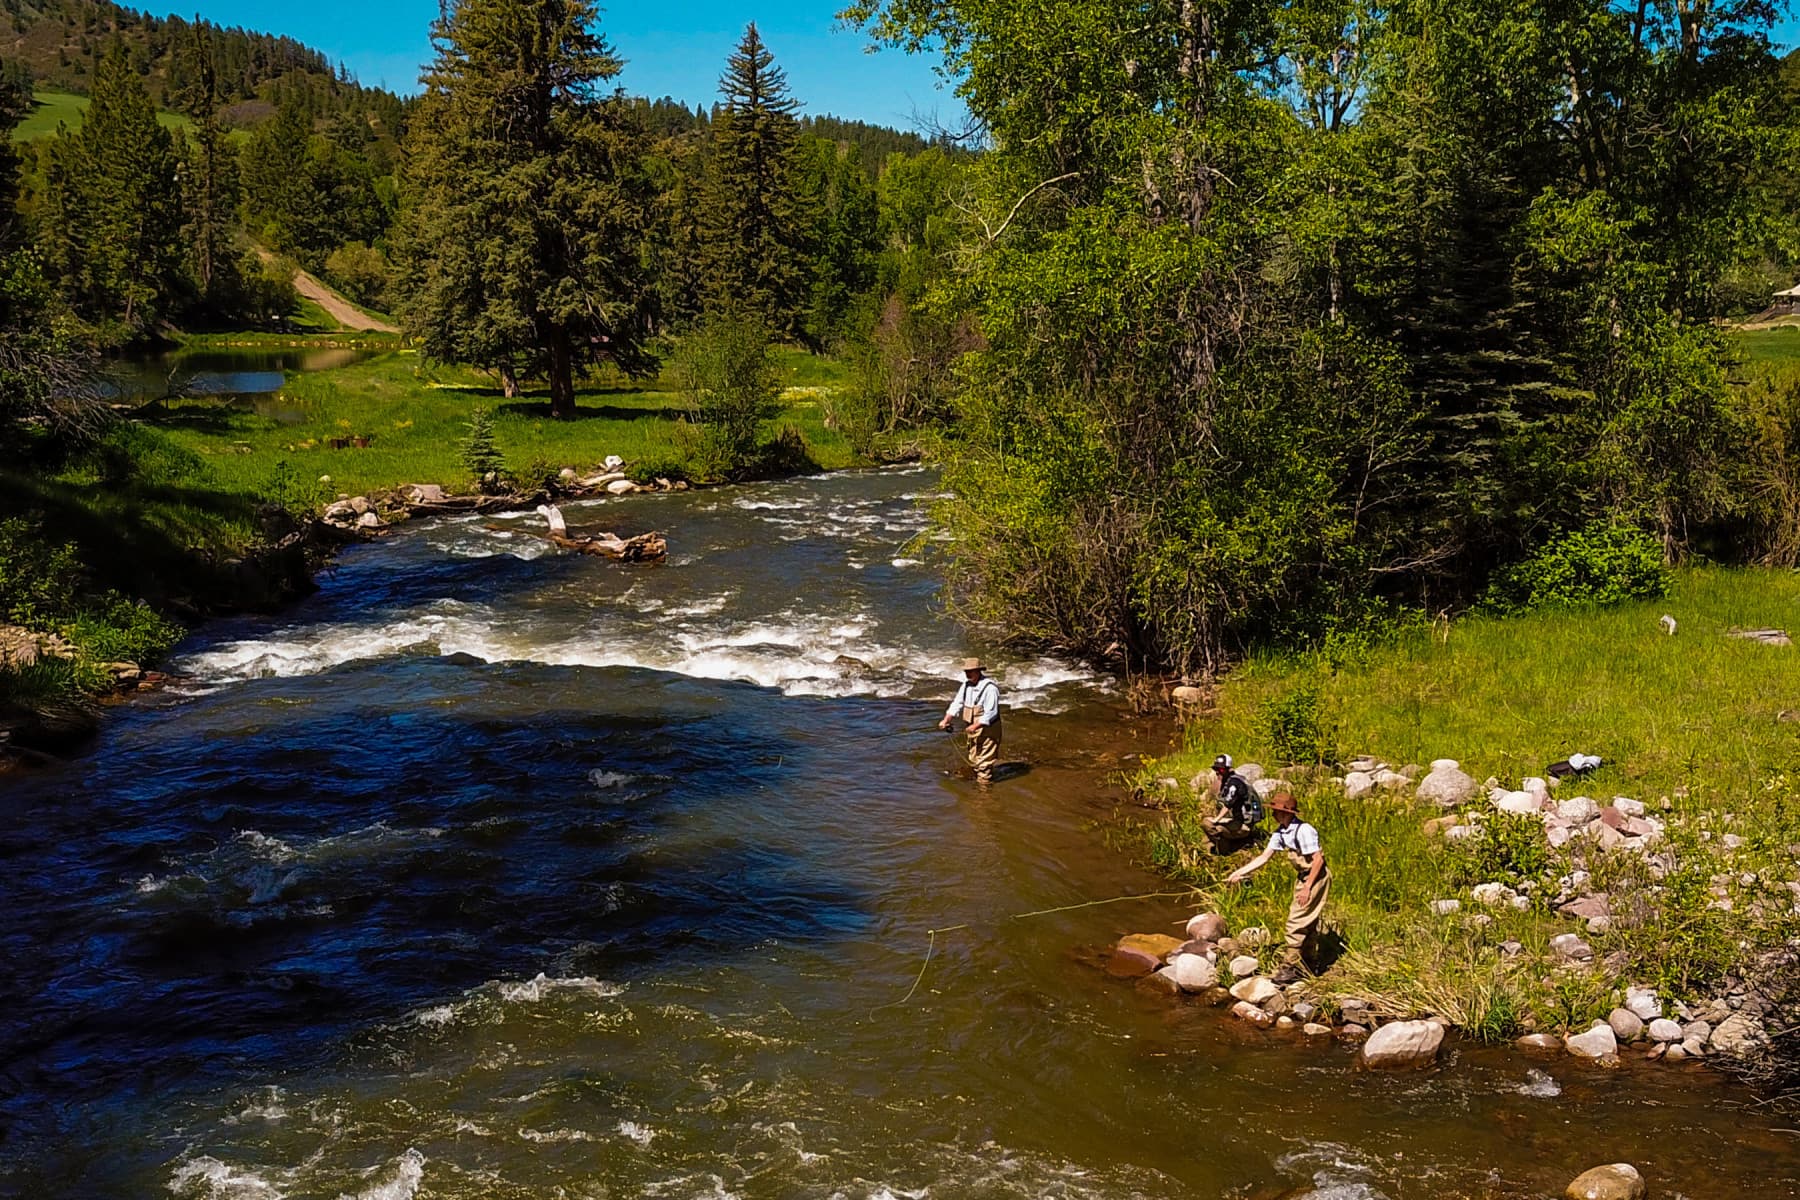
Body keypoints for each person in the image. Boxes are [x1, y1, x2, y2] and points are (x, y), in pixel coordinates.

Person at [1224, 792, 1328, 986]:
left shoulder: (1304, 830)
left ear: (1285, 813)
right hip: (1303, 877)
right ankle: (1309, 964)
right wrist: (1239, 873)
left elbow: (1318, 860)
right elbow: (1264, 857)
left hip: (1316, 877)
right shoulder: (1280, 833)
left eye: (1276, 812)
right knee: (1308, 921)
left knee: (1295, 921)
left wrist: (1307, 887)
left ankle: (1290, 967)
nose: (1273, 815)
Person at [938, 657, 1002, 783]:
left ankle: (984, 791)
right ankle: (982, 781)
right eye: (966, 671)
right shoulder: (966, 685)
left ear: (978, 671)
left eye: (971, 671)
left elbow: (991, 712)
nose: (968, 674)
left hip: (989, 730)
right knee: (973, 757)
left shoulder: (990, 688)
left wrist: (975, 726)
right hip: (973, 728)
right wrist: (946, 720)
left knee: (984, 763)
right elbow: (957, 703)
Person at [1201, 753, 1260, 851]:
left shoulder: (1234, 783)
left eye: (1221, 770)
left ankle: (1227, 849)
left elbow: (1228, 804)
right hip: (1238, 820)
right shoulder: (1232, 780)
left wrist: (1216, 819)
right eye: (1216, 769)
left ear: (1229, 769)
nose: (1218, 772)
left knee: (1209, 826)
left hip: (1244, 825)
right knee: (1205, 833)